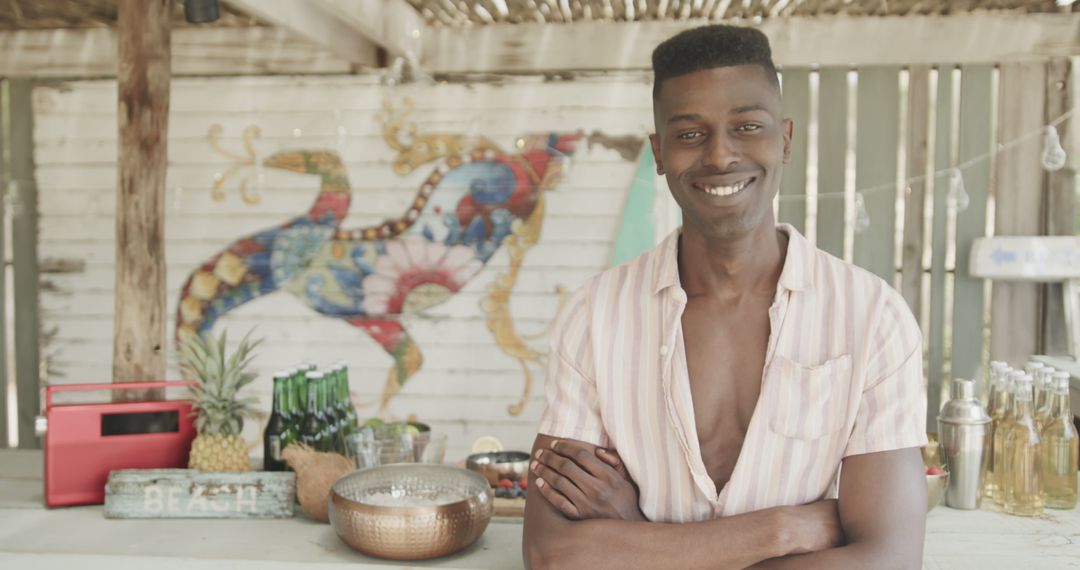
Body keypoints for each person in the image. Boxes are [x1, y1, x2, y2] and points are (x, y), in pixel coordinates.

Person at [522, 24, 927, 570]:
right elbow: (552, 554)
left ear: (784, 138)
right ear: (659, 152)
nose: (720, 155)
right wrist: (782, 529)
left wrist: (637, 538)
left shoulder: (873, 318)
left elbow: (888, 560)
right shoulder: (594, 319)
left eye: (748, 126)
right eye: (690, 134)